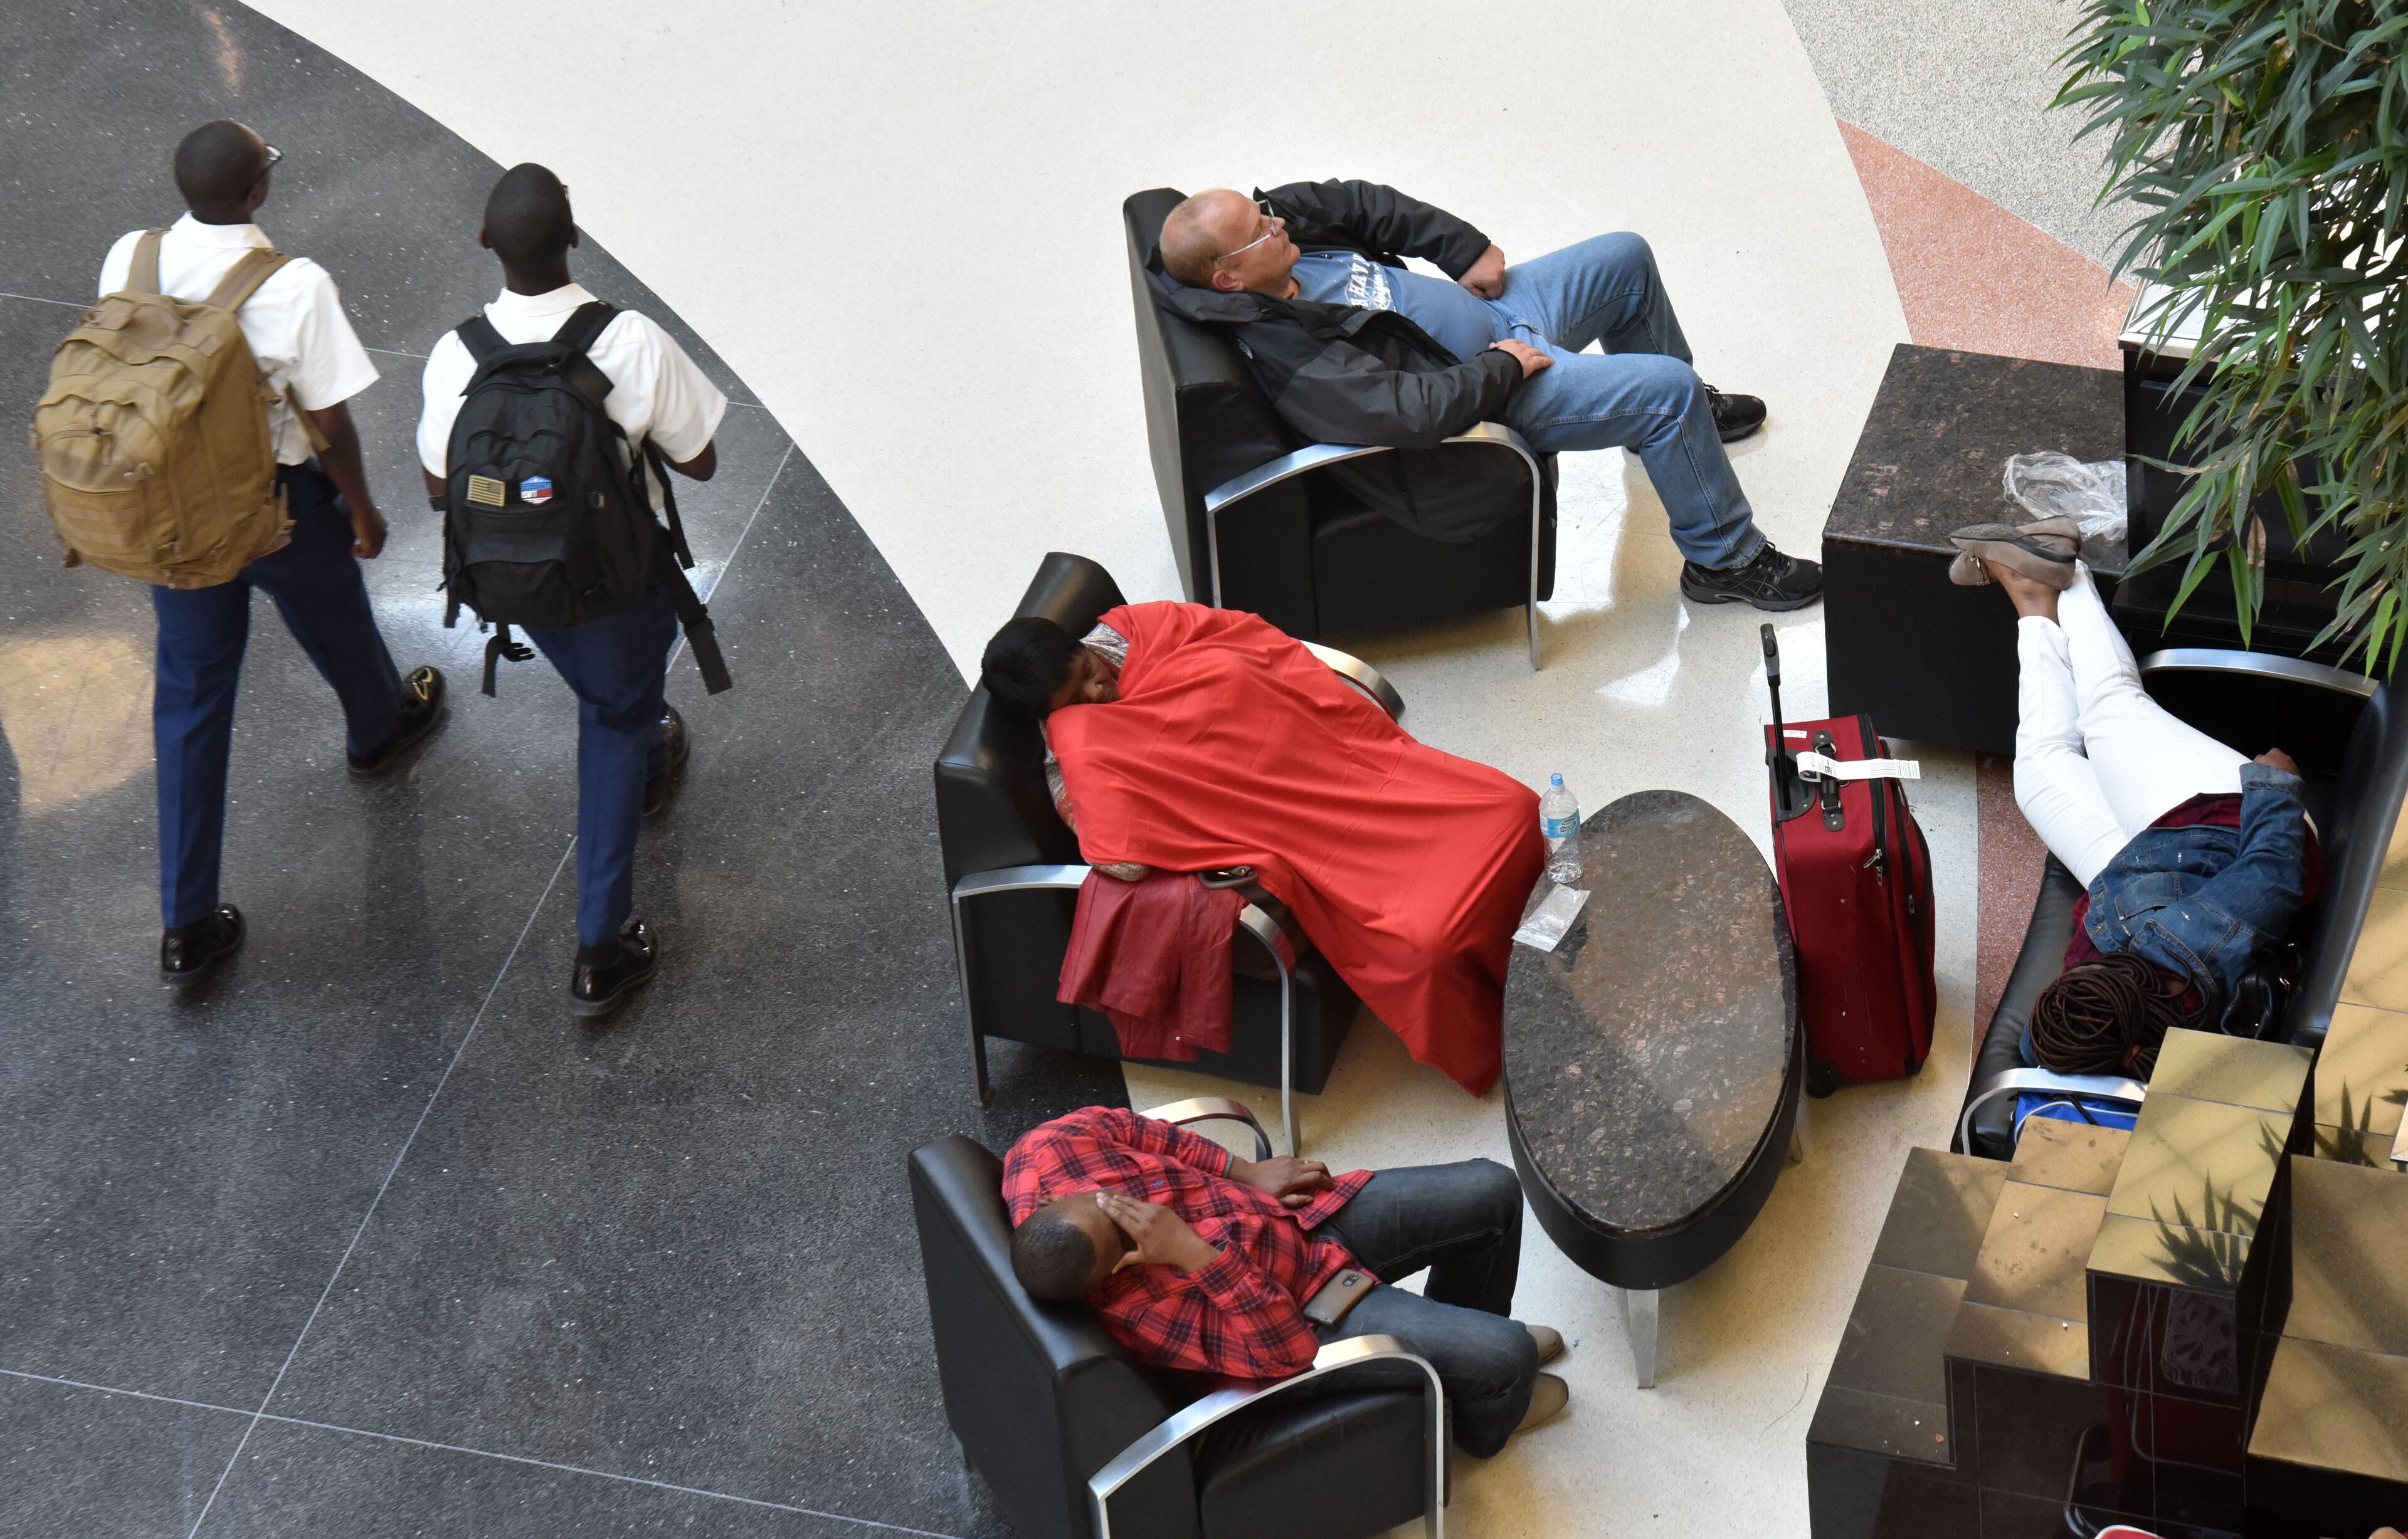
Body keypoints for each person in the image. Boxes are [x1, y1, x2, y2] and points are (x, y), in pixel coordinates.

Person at [95, 121, 447, 987]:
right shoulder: (293, 285)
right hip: (276, 507)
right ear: (256, 193)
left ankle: (187, 923)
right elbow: (326, 421)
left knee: (190, 694)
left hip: (169, 511)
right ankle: (379, 729)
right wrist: (361, 507)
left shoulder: (128, 257)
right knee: (334, 617)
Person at [1149, 181, 1821, 612]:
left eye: (1265, 212)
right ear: (1229, 278)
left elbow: (1361, 202)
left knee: (1626, 257)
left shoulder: (1279, 240)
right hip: (1498, 391)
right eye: (1263, 230)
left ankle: (1685, 437)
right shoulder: (1288, 352)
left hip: (1504, 318)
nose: (1278, 221)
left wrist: (1461, 249)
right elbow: (1407, 411)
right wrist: (1503, 368)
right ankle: (1724, 558)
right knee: (1667, 394)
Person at [980, 602, 1544, 1095]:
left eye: (1088, 673)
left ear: (1083, 645)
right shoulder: (1073, 752)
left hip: (1344, 765)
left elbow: (1253, 639)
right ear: (1047, 716)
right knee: (1428, 943)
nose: (1097, 691)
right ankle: (1514, 1034)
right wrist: (1078, 739)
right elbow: (1120, 859)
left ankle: (1550, 946)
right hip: (1305, 843)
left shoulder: (1140, 628)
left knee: (1510, 810)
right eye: (1074, 699)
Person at [415, 165, 726, 1017]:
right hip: (620, 584)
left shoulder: (457, 355)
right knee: (615, 717)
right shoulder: (629, 340)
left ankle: (648, 745)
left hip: (513, 586)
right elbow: (700, 461)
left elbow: (439, 484)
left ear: (485, 244)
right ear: (576, 238)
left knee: (611, 689)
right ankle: (602, 941)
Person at [1953, 518, 2314, 1075]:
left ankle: (2033, 602)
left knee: (2039, 773)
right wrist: (2275, 785)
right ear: (2131, 987)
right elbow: (2273, 872)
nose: (2074, 973)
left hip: (2138, 869)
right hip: (2228, 824)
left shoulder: (2088, 1023)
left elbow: (2034, 1047)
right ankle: (2063, 569)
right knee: (2108, 709)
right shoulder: (2192, 947)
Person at [1003, 1105, 1568, 1458]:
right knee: (1509, 1353)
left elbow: (1139, 1129)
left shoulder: (1045, 1153)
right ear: (1102, 1279)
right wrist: (1192, 1252)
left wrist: (1242, 1171)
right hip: (1300, 1307)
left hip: (1299, 1222)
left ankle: (1464, 1353)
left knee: (1492, 1190)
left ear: (1057, 1198)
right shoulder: (1136, 1309)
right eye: (1125, 1239)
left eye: (1114, 1205)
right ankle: (1481, 1415)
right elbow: (1288, 1352)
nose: (1137, 1216)